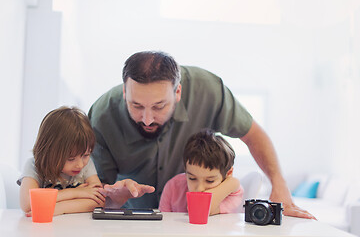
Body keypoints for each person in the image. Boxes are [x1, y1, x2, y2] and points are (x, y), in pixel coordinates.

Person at [89, 50, 314, 219]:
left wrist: (279, 185)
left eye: (159, 106)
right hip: (134, 218)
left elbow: (253, 135)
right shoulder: (102, 115)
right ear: (124, 91)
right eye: (136, 106)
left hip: (194, 220)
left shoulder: (208, 91)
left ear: (178, 92)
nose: (147, 119)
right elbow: (98, 190)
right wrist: (112, 198)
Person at [18, 106, 153, 216]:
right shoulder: (34, 165)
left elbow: (98, 201)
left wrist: (57, 208)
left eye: (86, 155)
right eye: (71, 158)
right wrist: (75, 193)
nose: (80, 164)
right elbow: (28, 204)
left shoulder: (86, 165)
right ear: (49, 152)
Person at [159, 129, 243, 215]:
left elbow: (198, 210)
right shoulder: (173, 186)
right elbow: (162, 224)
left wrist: (233, 183)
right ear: (186, 170)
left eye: (210, 181)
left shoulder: (232, 191)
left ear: (228, 174)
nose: (200, 189)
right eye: (192, 178)